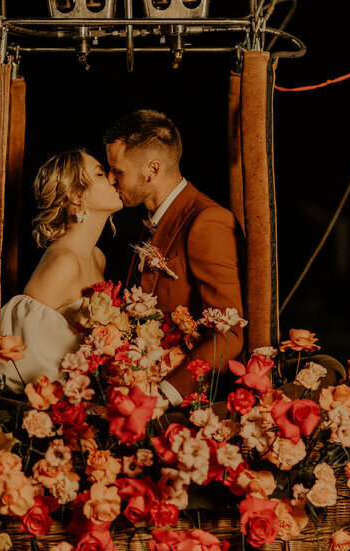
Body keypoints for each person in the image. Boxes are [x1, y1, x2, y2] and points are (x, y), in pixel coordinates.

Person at [104, 109, 245, 405]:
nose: (109, 179)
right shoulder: (153, 221)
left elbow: (229, 333)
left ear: (152, 169)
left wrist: (165, 396)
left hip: (192, 404)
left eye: (118, 171)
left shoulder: (207, 221)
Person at [0, 148, 123, 393]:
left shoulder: (98, 258)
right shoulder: (63, 262)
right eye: (99, 174)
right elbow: (19, 363)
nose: (112, 179)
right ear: (77, 195)